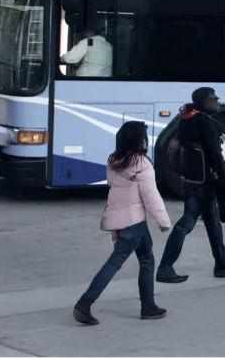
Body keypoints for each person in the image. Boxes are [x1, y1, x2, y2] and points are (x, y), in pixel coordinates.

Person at [73, 121, 171, 325]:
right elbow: (151, 195)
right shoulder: (141, 163)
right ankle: (84, 303)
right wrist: (163, 221)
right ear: (138, 140)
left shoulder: (113, 160)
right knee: (116, 262)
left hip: (122, 217)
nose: (146, 140)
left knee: (147, 259)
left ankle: (148, 306)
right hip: (134, 220)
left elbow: (115, 188)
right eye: (144, 136)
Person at [157, 87, 225, 284]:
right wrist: (223, 177)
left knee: (212, 222)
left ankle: (223, 264)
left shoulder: (186, 118)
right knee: (188, 222)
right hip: (204, 182)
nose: (217, 101)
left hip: (192, 179)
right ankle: (165, 267)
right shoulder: (204, 121)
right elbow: (214, 153)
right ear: (204, 102)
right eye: (213, 98)